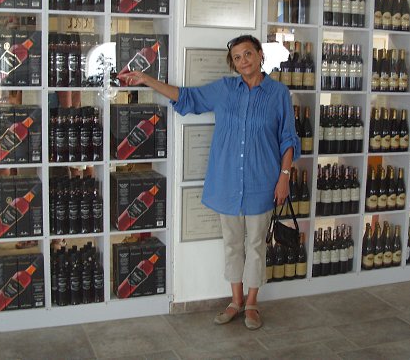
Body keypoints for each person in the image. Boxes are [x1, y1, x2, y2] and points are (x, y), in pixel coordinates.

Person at [118, 34, 300, 330]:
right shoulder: (225, 89)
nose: (243, 61)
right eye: (237, 57)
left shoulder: (278, 93)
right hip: (227, 182)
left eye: (248, 54)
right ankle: (235, 301)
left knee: (256, 245)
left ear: (260, 55)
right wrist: (147, 80)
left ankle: (252, 303)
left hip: (262, 182)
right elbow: (187, 97)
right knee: (232, 245)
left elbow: (288, 138)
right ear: (233, 63)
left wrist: (285, 177)